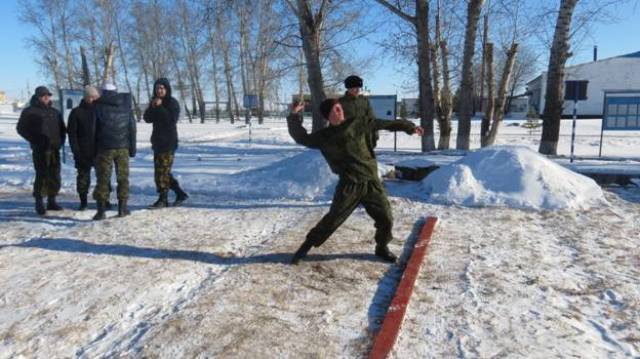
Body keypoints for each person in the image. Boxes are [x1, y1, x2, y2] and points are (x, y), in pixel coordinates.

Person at [287, 98, 424, 265]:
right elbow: (301, 137)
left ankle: (382, 247)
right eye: (335, 110)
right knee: (333, 219)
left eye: (340, 108)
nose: (340, 111)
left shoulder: (359, 124)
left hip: (371, 182)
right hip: (349, 185)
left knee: (386, 218)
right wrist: (294, 115)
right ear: (327, 116)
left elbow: (386, 124)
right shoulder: (324, 137)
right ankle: (304, 248)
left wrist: (410, 128)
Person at [16, 86, 66, 215]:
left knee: (55, 174)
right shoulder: (30, 111)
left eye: (48, 95)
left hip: (54, 148)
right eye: (43, 95)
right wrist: (35, 139)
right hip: (40, 149)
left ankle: (52, 201)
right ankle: (39, 202)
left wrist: (60, 141)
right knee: (42, 175)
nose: (46, 97)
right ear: (37, 96)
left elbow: (62, 128)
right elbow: (21, 129)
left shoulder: (55, 112)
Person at [92, 83, 137, 220]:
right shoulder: (126, 106)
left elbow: (93, 130)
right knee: (123, 178)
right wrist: (132, 149)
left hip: (104, 148)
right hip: (123, 148)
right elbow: (132, 128)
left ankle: (101, 211)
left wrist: (93, 149)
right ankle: (122, 209)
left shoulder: (97, 107)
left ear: (103, 92)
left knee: (103, 179)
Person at [143, 78, 189, 208]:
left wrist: (160, 106)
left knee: (161, 173)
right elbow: (147, 118)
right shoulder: (154, 102)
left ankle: (163, 199)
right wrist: (153, 107)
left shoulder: (172, 102)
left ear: (167, 89)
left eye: (162, 88)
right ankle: (180, 193)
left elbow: (171, 120)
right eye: (157, 88)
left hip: (168, 142)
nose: (160, 90)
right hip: (157, 142)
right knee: (164, 172)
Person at [67, 86, 101, 210]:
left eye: (95, 97)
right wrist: (76, 152)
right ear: (85, 97)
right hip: (83, 151)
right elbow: (72, 134)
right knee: (83, 178)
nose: (92, 99)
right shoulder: (76, 112)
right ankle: (83, 201)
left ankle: (103, 200)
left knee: (103, 178)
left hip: (99, 151)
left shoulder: (100, 110)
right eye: (90, 97)